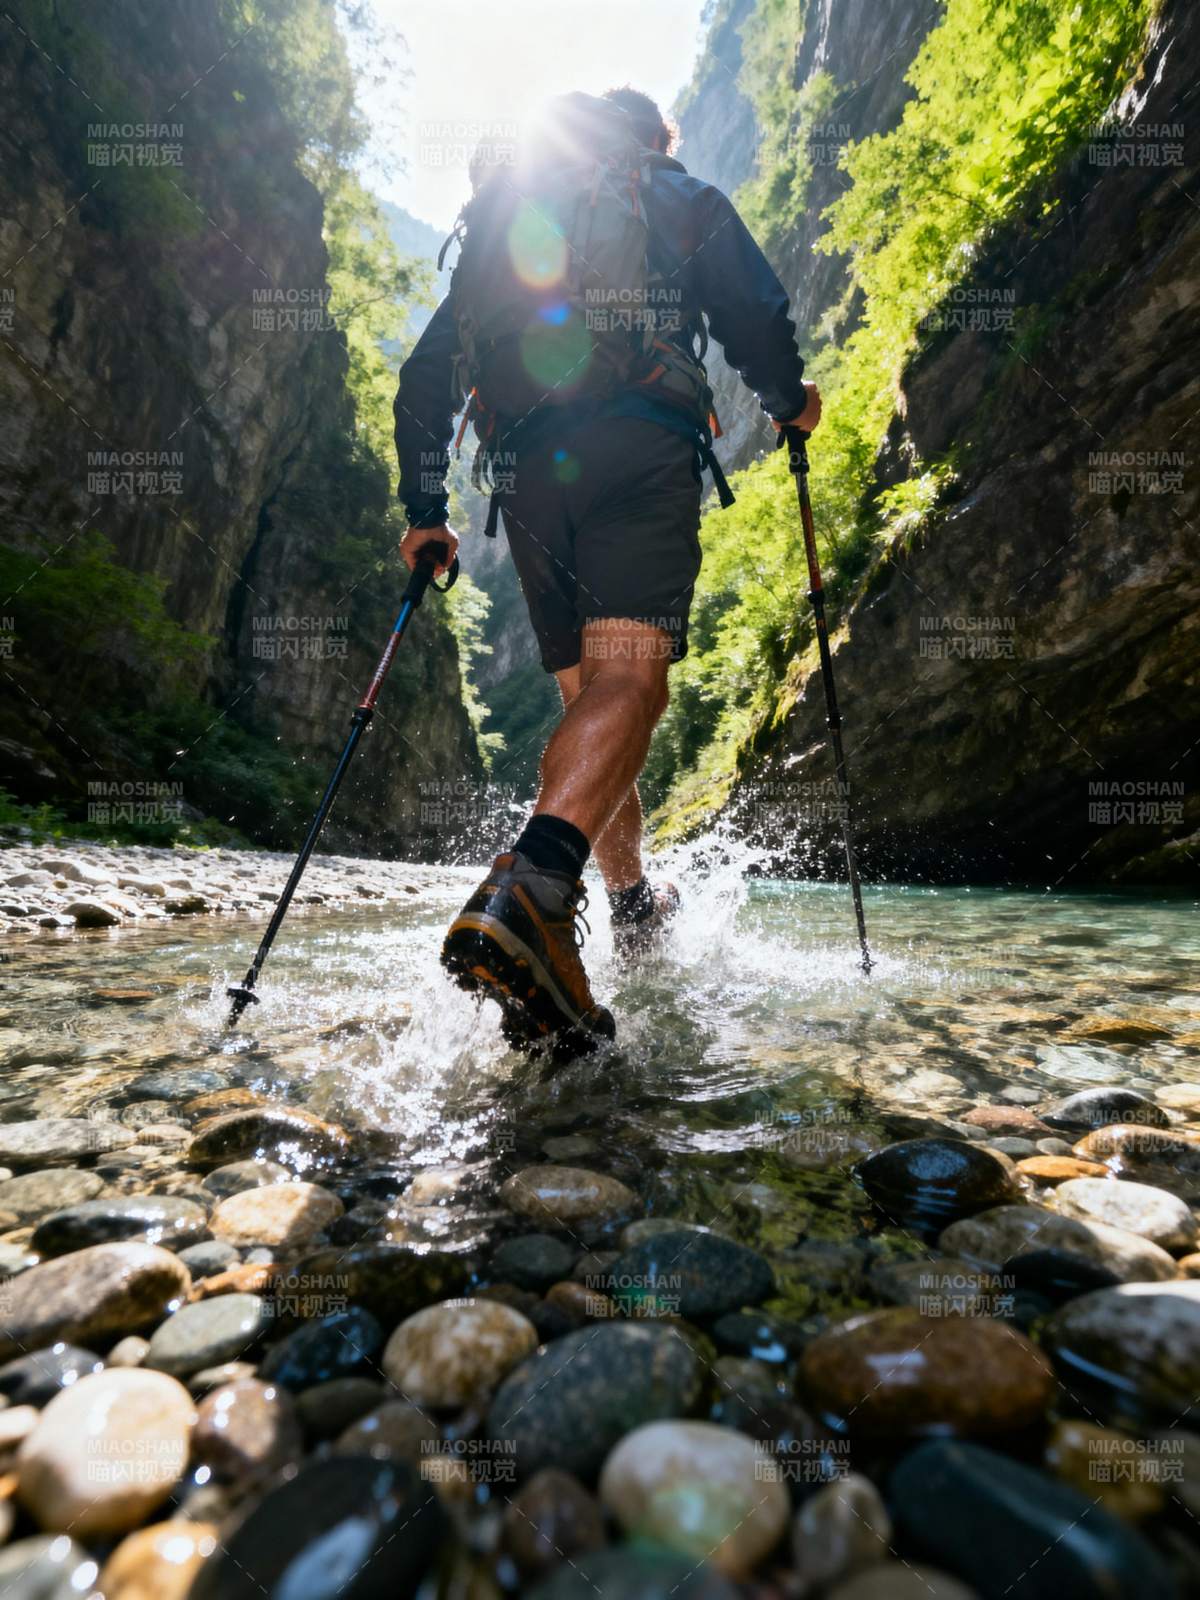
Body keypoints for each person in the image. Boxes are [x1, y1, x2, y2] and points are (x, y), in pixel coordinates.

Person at [394, 85, 820, 1058]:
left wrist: (425, 514)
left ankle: (627, 903)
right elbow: (752, 308)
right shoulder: (659, 185)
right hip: (636, 444)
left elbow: (426, 380)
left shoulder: (500, 218)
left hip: (529, 479)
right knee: (630, 678)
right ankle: (536, 888)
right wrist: (789, 401)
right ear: (651, 135)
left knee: (590, 694)